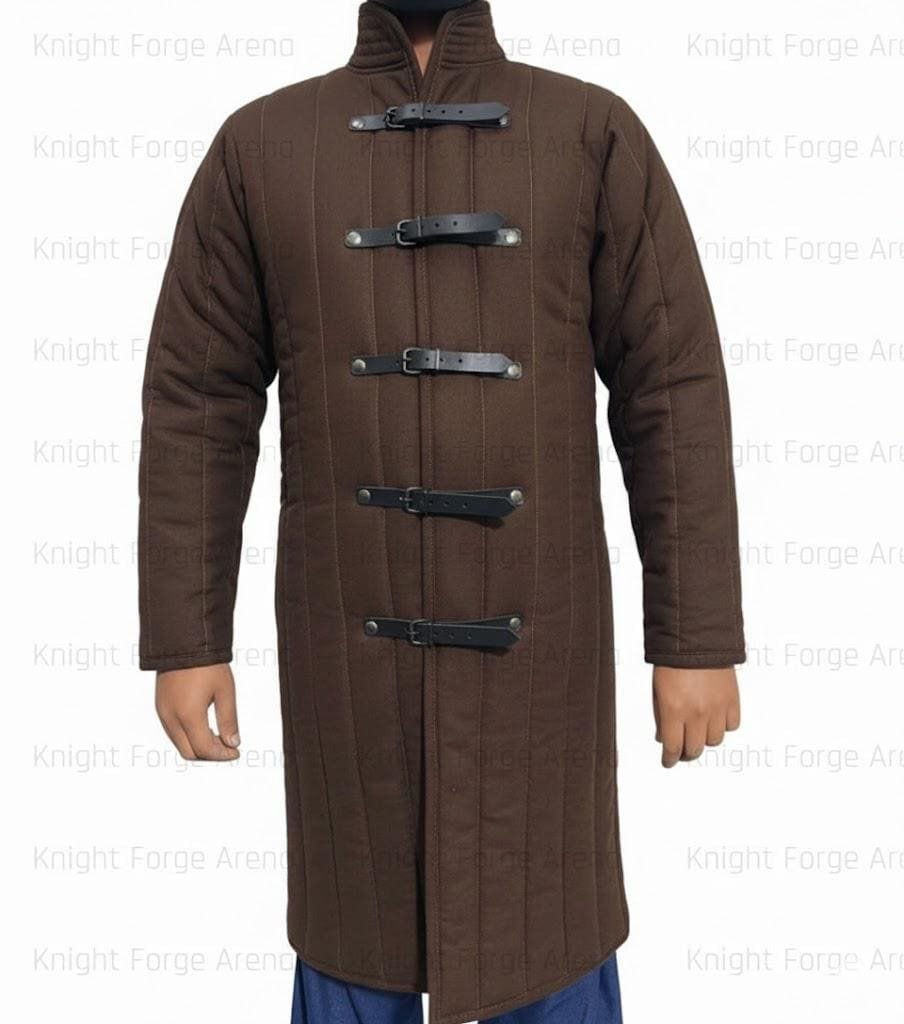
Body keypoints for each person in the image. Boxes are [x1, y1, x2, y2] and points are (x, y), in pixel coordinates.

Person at [138, 1, 745, 1021]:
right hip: (347, 666)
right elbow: (198, 402)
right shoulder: (261, 144)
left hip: (541, 668)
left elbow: (672, 390)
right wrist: (185, 638)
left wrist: (696, 637)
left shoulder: (590, 131)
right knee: (354, 935)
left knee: (545, 932)